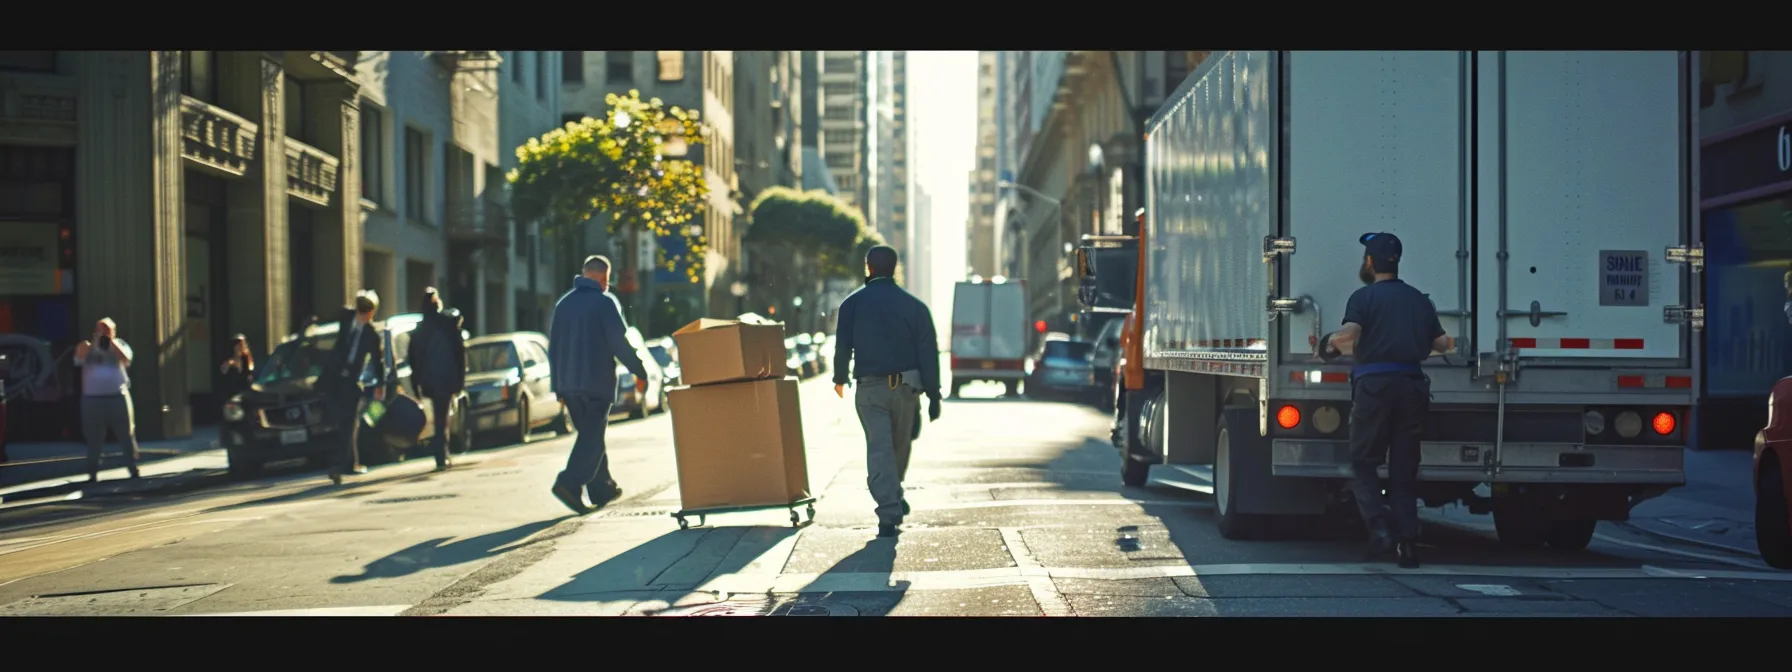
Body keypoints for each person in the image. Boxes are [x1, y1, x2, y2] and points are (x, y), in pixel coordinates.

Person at [1319, 232, 1451, 569]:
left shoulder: (1364, 297)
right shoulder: (1420, 300)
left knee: (1363, 461)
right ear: (1396, 261)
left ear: (1369, 262)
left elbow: (1350, 335)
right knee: (1404, 470)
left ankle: (1379, 530)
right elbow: (1443, 343)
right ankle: (1408, 545)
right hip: (1412, 386)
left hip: (1375, 388)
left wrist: (1328, 344)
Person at [831, 245, 942, 538]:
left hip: (869, 390)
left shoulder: (851, 304)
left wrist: (839, 378)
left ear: (868, 267)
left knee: (880, 450)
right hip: (907, 389)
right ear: (896, 267)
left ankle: (890, 501)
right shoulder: (916, 307)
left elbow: (842, 346)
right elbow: (928, 352)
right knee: (899, 448)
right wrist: (934, 395)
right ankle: (890, 509)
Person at [547, 255, 648, 515]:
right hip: (596, 383)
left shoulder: (563, 304)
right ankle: (568, 483)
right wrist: (640, 371)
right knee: (591, 438)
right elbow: (619, 343)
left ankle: (601, 487)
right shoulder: (605, 303)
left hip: (569, 385)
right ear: (604, 278)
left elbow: (554, 347)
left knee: (591, 436)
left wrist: (558, 386)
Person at [323, 292, 385, 485]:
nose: (367, 316)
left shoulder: (371, 334)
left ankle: (339, 465)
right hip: (333, 380)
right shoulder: (346, 318)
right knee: (338, 422)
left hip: (351, 382)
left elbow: (378, 361)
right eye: (364, 312)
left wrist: (380, 384)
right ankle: (344, 463)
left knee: (348, 424)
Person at [74, 317, 140, 482]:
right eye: (100, 329)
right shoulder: (87, 347)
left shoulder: (120, 345)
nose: (103, 333)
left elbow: (126, 359)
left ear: (113, 332)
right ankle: (92, 473)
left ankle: (133, 469)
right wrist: (93, 345)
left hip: (118, 397)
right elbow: (78, 358)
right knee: (93, 438)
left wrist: (111, 342)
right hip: (92, 400)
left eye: (107, 330)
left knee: (126, 435)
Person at [408, 288, 467, 471]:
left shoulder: (419, 330)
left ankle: (440, 452)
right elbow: (460, 353)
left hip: (429, 380)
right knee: (442, 417)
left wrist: (416, 384)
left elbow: (413, 360)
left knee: (438, 417)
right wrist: (460, 380)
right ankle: (442, 454)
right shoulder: (449, 325)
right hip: (447, 377)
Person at [219, 334, 255, 400]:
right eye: (238, 345)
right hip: (231, 395)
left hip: (245, 395)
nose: (240, 347)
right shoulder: (228, 361)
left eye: (242, 345)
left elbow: (250, 371)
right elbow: (223, 373)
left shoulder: (247, 361)